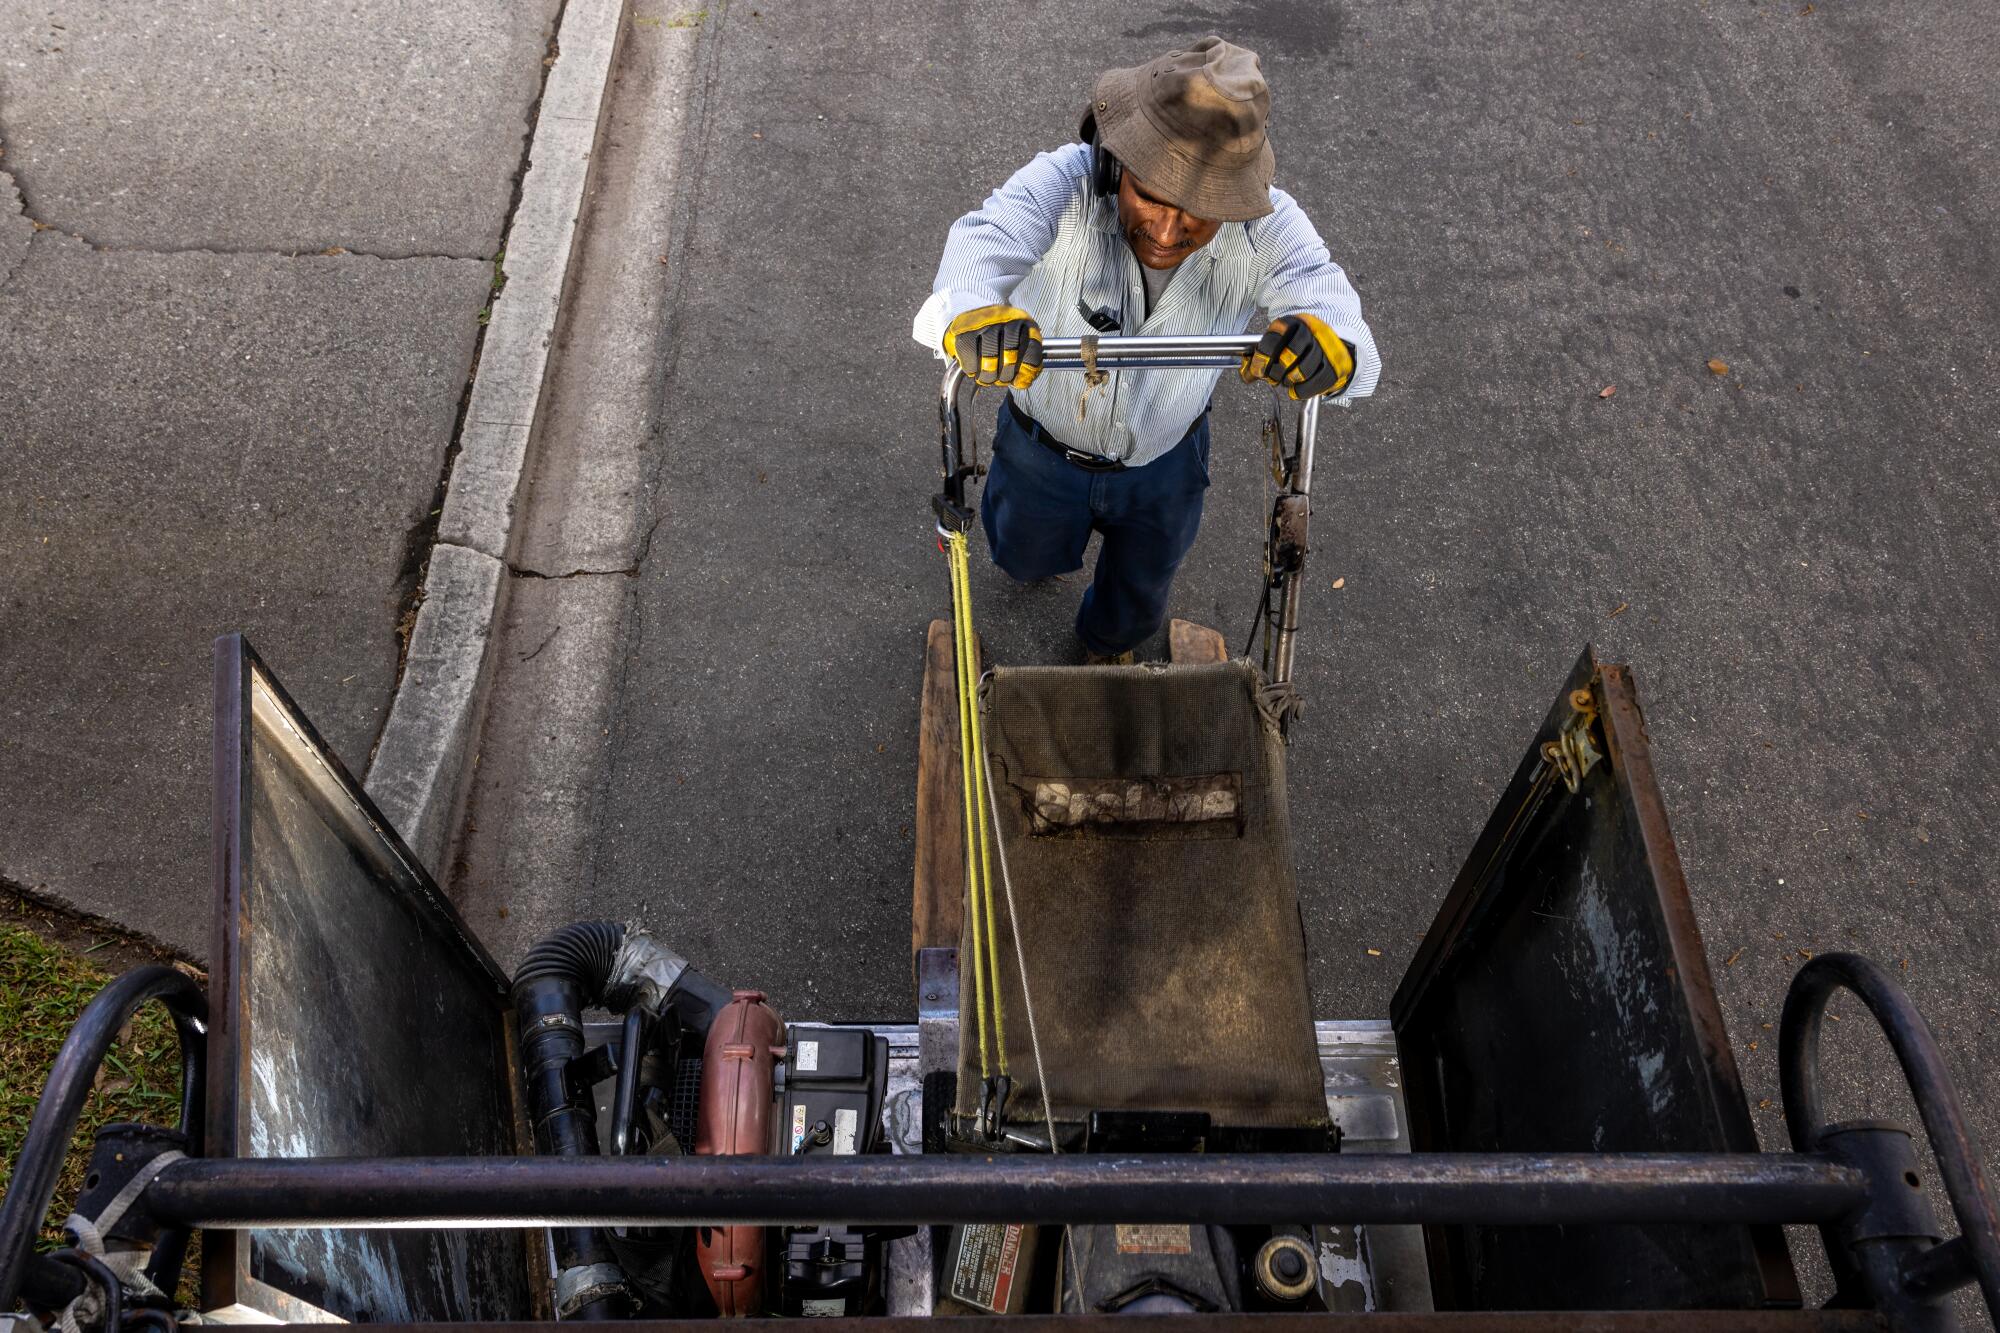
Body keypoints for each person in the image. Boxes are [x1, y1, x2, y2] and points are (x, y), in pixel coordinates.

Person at [913, 36, 1380, 664]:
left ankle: (1106, 647)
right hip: (1039, 449)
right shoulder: (1063, 181)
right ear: (1114, 163)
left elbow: (1335, 315)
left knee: (1139, 590)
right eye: (1151, 196)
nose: (1166, 232)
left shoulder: (1268, 223)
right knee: (1020, 554)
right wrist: (970, 318)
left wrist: (1331, 347)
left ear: (1235, 202)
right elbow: (983, 239)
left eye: (1197, 213)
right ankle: (1036, 567)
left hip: (1167, 464)